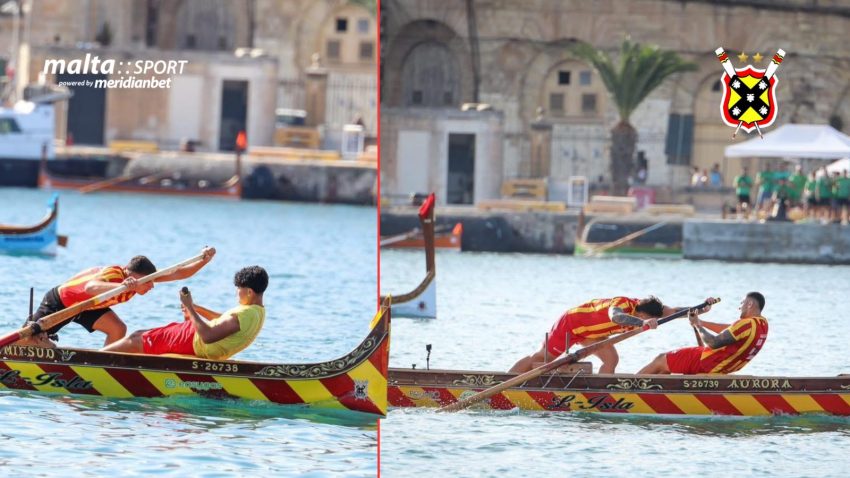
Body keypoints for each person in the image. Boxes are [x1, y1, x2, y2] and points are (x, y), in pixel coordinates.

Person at [22, 247, 216, 347]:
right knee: (27, 339)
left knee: (118, 329)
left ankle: (103, 365)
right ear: (132, 276)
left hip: (88, 307)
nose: (152, 286)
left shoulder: (139, 280)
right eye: (147, 282)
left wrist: (204, 260)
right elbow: (91, 287)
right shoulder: (115, 274)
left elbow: (180, 273)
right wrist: (121, 286)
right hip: (61, 302)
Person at [508, 296, 714, 374]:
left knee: (611, 360)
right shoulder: (622, 305)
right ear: (641, 313)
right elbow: (616, 317)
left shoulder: (650, 309)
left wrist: (700, 308)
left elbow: (674, 311)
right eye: (645, 318)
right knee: (542, 358)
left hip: (593, 334)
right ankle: (504, 380)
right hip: (571, 325)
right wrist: (641, 324)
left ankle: (600, 394)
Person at [102, 266, 268, 361]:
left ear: (249, 292)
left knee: (137, 339)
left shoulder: (246, 313)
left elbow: (208, 336)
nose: (236, 293)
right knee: (142, 336)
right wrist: (197, 308)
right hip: (194, 338)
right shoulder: (257, 311)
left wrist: (189, 307)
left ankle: (92, 359)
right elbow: (223, 321)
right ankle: (110, 362)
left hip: (194, 341)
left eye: (238, 289)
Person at [638, 292, 768, 375]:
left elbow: (713, 343)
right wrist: (700, 321)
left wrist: (697, 325)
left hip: (708, 362)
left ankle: (628, 387)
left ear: (750, 304)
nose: (740, 307)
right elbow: (729, 330)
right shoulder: (762, 324)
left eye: (742, 303)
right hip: (723, 366)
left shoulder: (745, 324)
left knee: (661, 359)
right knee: (664, 368)